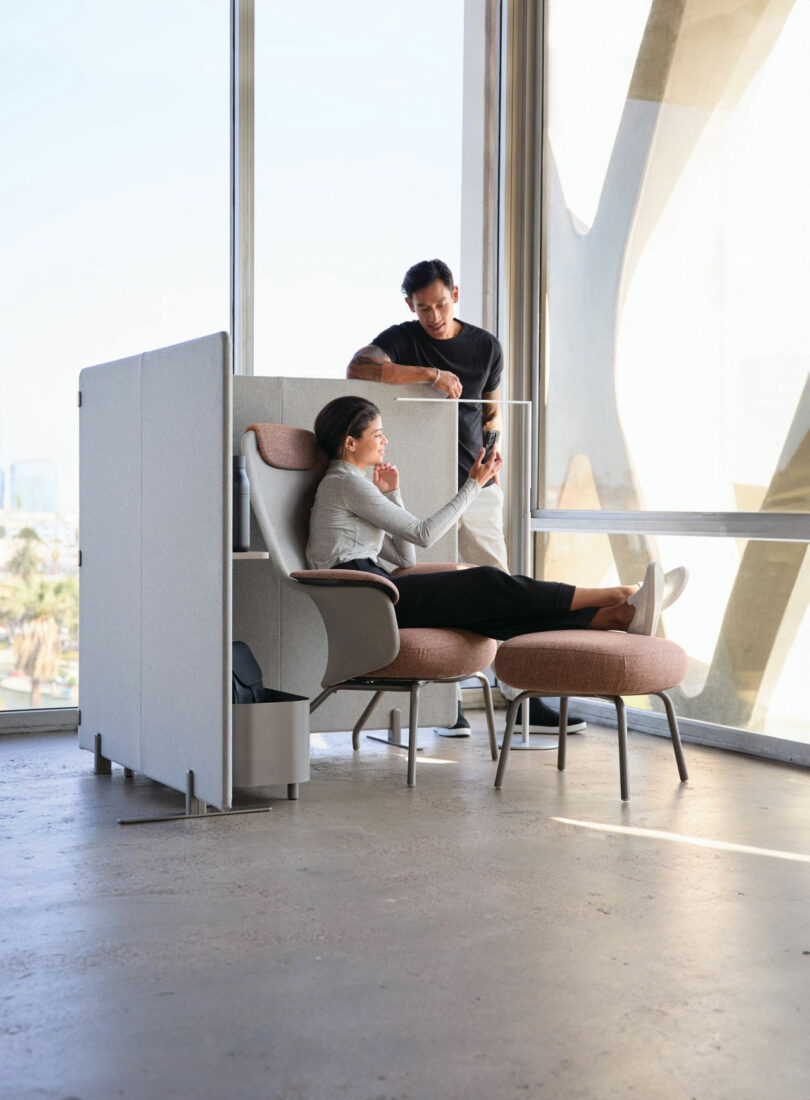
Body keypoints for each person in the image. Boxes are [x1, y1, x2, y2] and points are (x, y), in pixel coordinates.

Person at [345, 257, 587, 735]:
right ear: (409, 306)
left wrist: (493, 458)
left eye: (439, 304)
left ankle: (521, 698)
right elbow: (358, 368)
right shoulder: (401, 339)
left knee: (502, 587)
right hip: (425, 487)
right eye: (422, 308)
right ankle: (445, 704)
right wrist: (427, 375)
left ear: (455, 294)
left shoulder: (485, 346)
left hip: (476, 486)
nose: (433, 316)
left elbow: (491, 414)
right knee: (439, 593)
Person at [306, 398, 681, 669]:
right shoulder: (346, 482)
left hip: (374, 589)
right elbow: (422, 535)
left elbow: (405, 559)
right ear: (350, 443)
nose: (384, 440)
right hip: (367, 598)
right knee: (483, 581)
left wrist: (393, 494)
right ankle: (622, 593)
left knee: (490, 612)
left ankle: (615, 618)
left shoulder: (351, 485)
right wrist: (474, 484)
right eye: (378, 433)